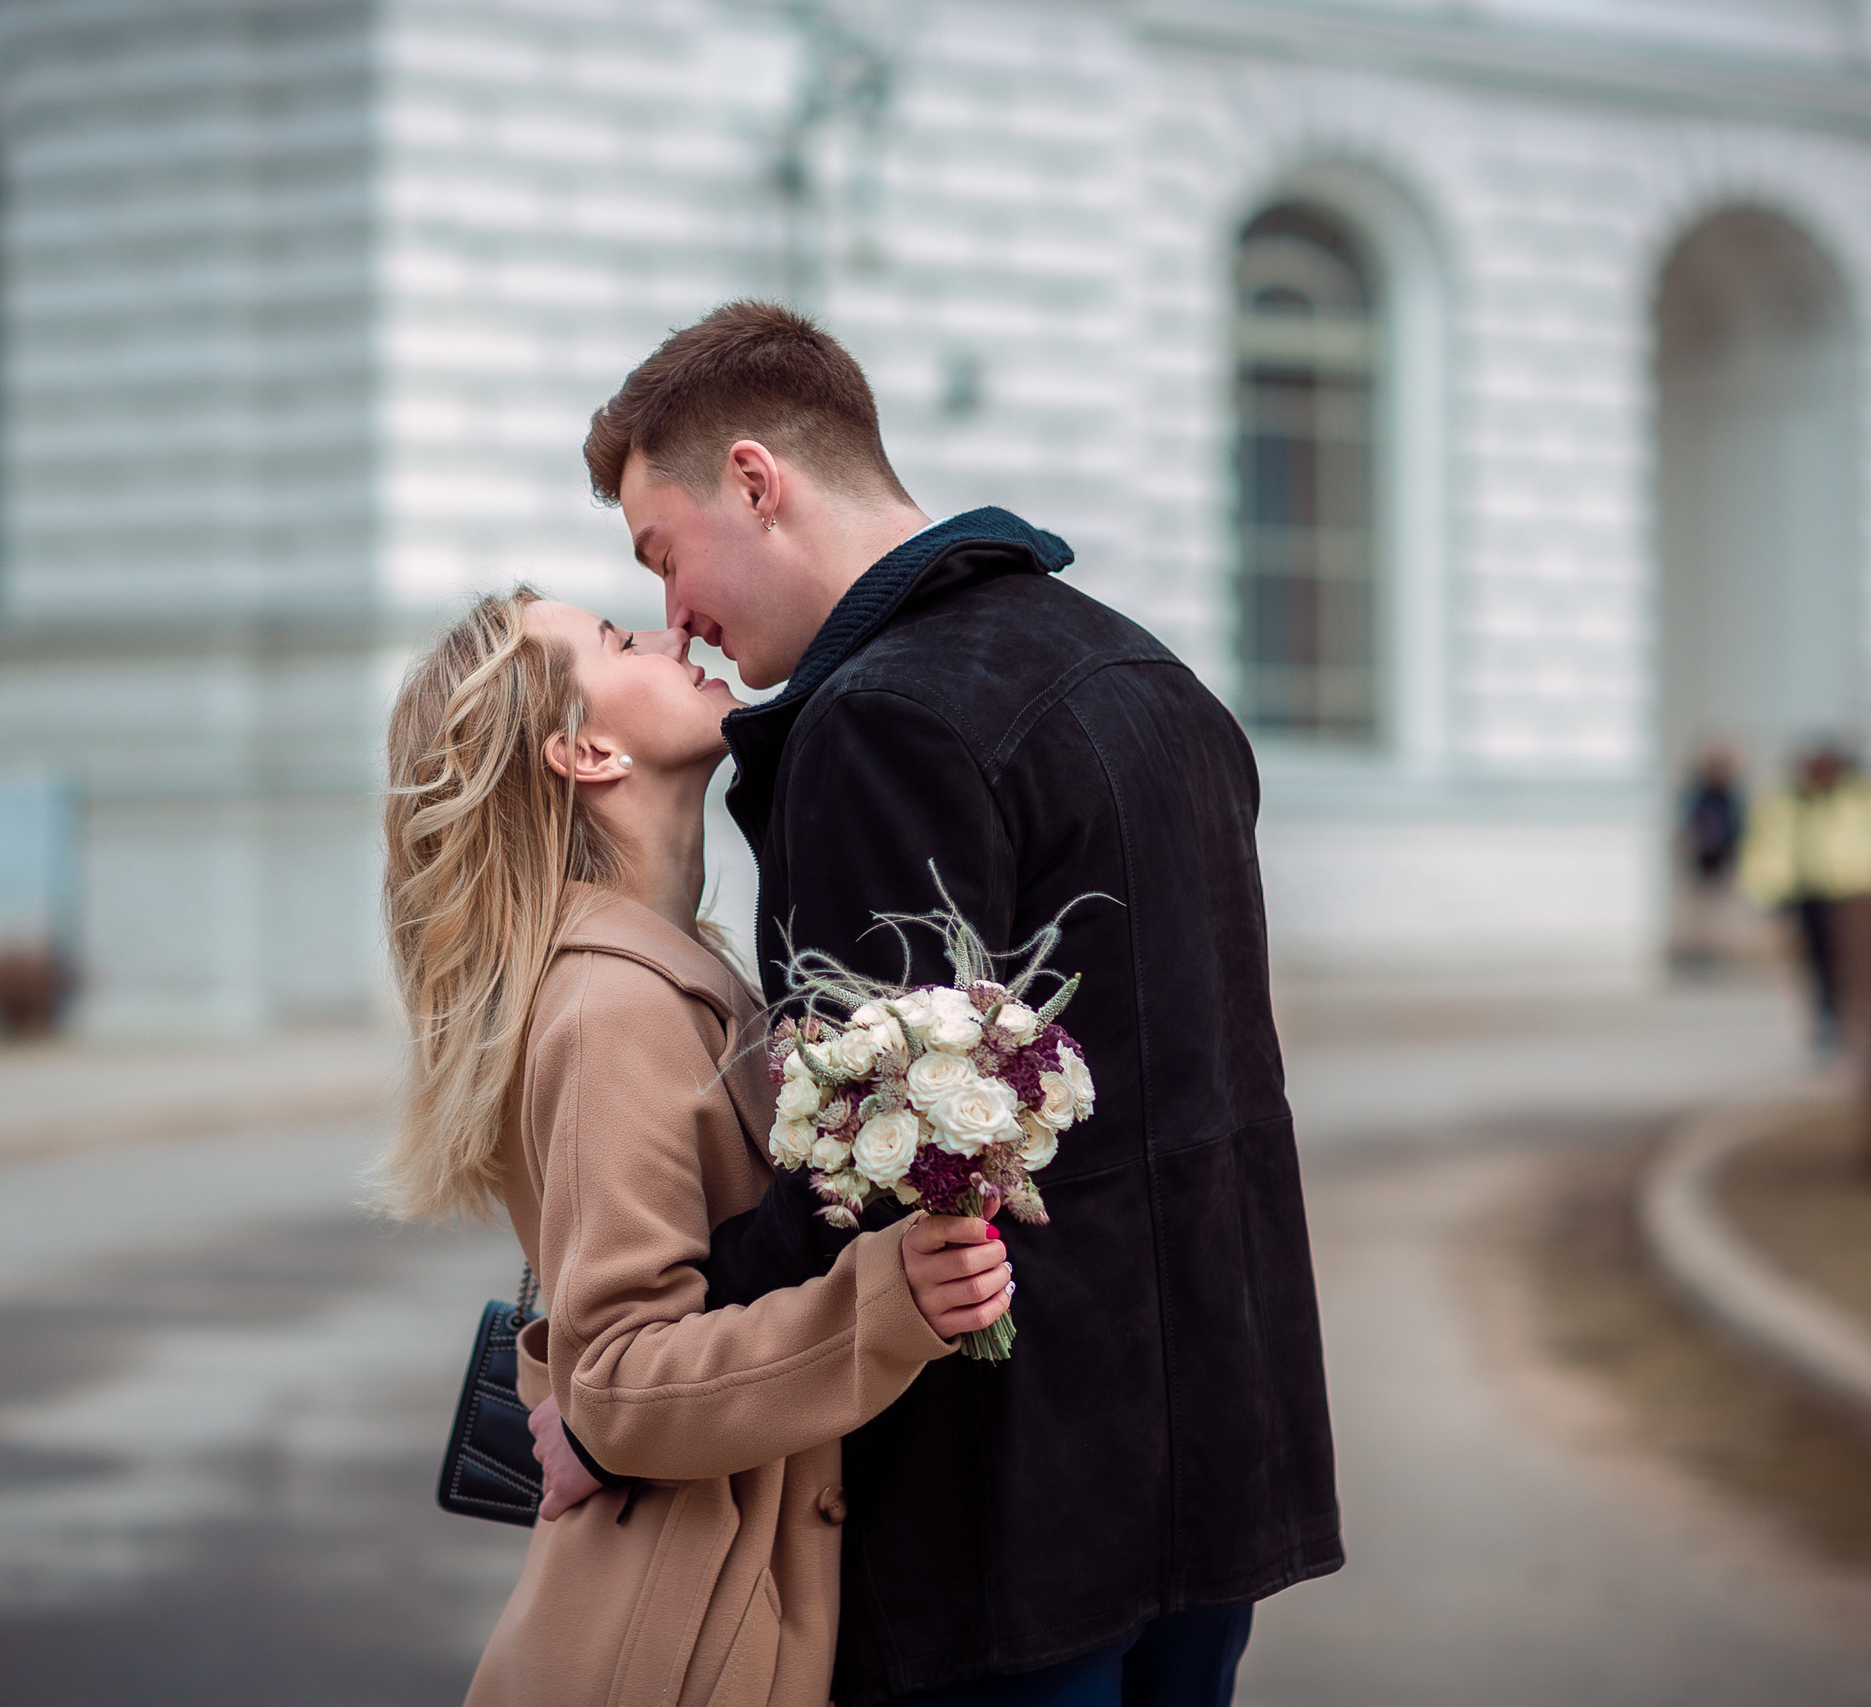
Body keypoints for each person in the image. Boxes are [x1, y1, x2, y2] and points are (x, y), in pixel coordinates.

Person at [541, 301, 1343, 1706]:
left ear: (752, 477)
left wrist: (612, 1419)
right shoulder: (1147, 673)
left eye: (658, 554)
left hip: (1014, 1515)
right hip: (1219, 1462)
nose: (677, 614)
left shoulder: (882, 720)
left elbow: (863, 1155)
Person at [377, 589, 1022, 1707]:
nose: (669, 633)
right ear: (585, 751)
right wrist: (881, 1306)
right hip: (677, 1640)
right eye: (622, 641)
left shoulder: (675, 969)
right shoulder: (609, 1010)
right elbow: (617, 1385)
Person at [1739, 742, 1871, 1056]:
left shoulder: (1861, 797)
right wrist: (1765, 888)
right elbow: (1763, 846)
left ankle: (1844, 1020)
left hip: (1851, 892)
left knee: (1847, 961)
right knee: (1814, 963)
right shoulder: (1784, 799)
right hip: (1803, 892)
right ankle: (1824, 1020)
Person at [1673, 743, 1747, 972]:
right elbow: (1688, 827)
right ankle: (1697, 952)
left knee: (1716, 910)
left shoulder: (1727, 795)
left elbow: (1737, 829)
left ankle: (1712, 952)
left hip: (1720, 859)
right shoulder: (1700, 794)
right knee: (1698, 911)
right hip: (1701, 859)